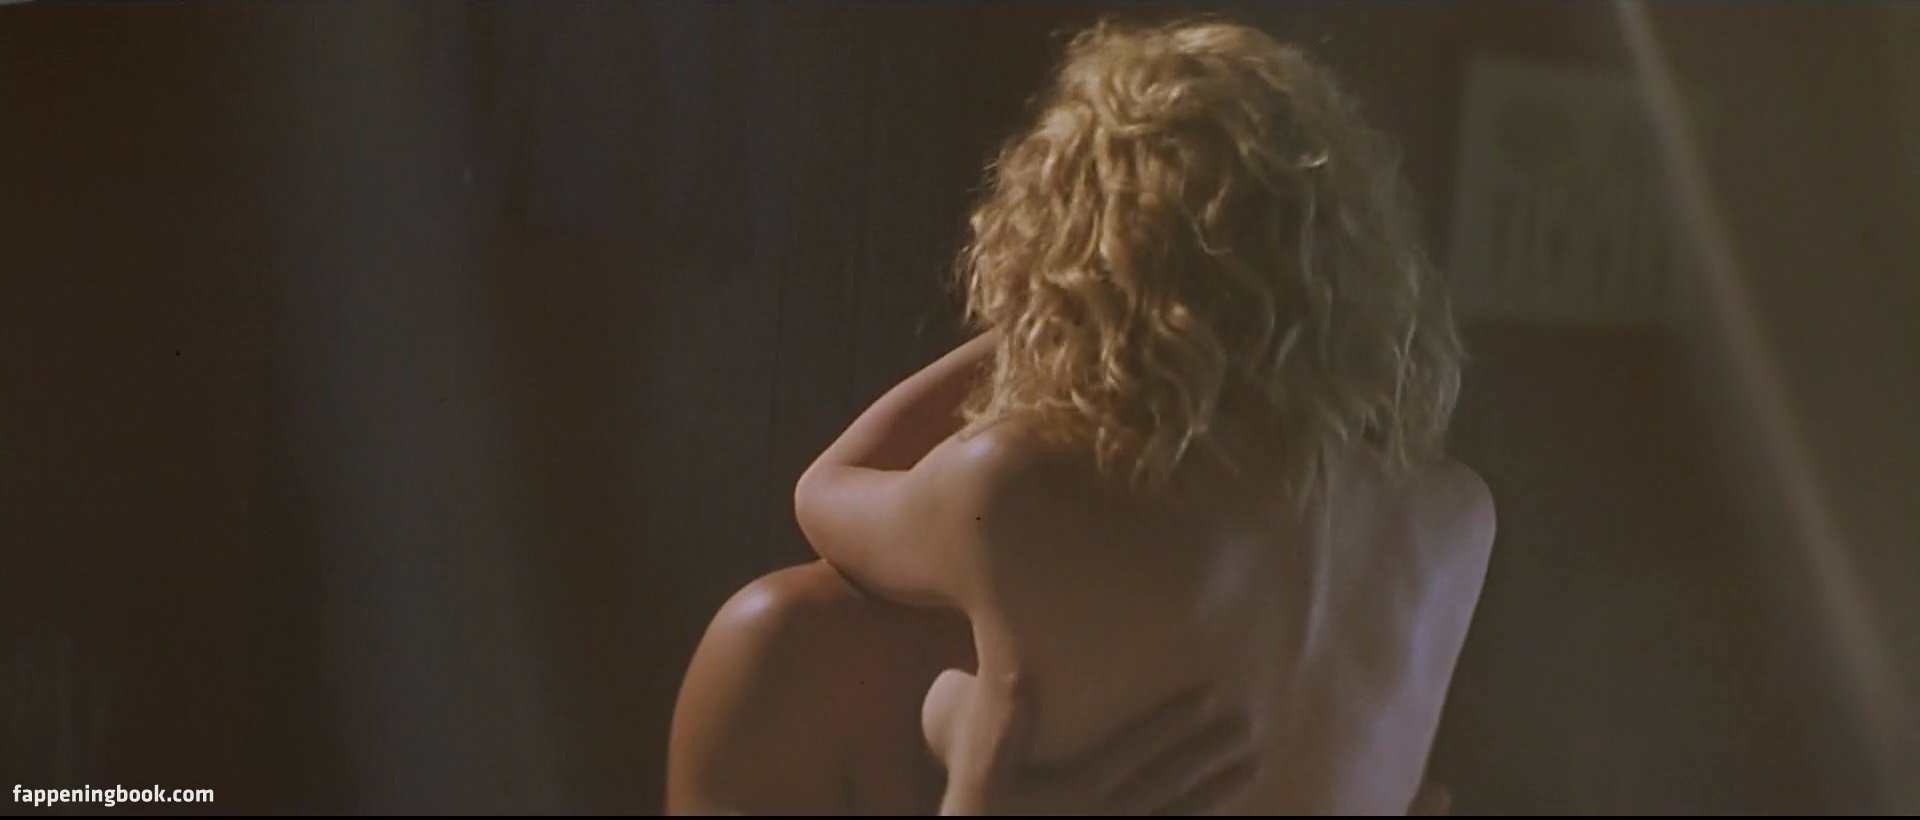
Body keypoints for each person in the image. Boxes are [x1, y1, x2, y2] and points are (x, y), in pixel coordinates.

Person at [793, 19, 1494, 815]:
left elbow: (825, 489)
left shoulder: (1023, 487)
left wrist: (1043, 319)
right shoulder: (1455, 516)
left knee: (945, 699)